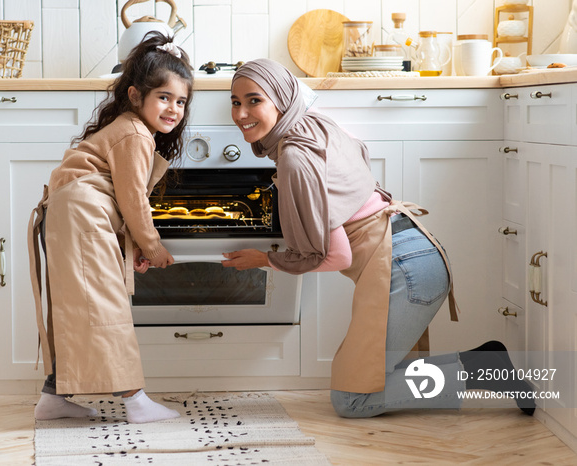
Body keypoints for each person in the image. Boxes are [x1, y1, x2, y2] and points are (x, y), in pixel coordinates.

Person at [222, 58, 535, 418]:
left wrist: (265, 260)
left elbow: (337, 256)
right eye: (235, 102)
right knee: (372, 377)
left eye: (254, 100)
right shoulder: (313, 126)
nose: (241, 113)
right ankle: (483, 362)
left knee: (351, 400)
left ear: (281, 99)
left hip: (403, 270)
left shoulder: (295, 158)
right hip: (416, 251)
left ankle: (483, 369)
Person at [27, 32, 192, 423]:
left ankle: (54, 396)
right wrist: (153, 248)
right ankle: (135, 402)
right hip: (81, 212)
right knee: (104, 303)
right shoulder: (135, 132)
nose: (173, 108)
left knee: (75, 305)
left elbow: (118, 199)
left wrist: (130, 250)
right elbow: (133, 200)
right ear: (136, 96)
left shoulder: (128, 129)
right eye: (164, 97)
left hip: (71, 212)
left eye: (181, 101)